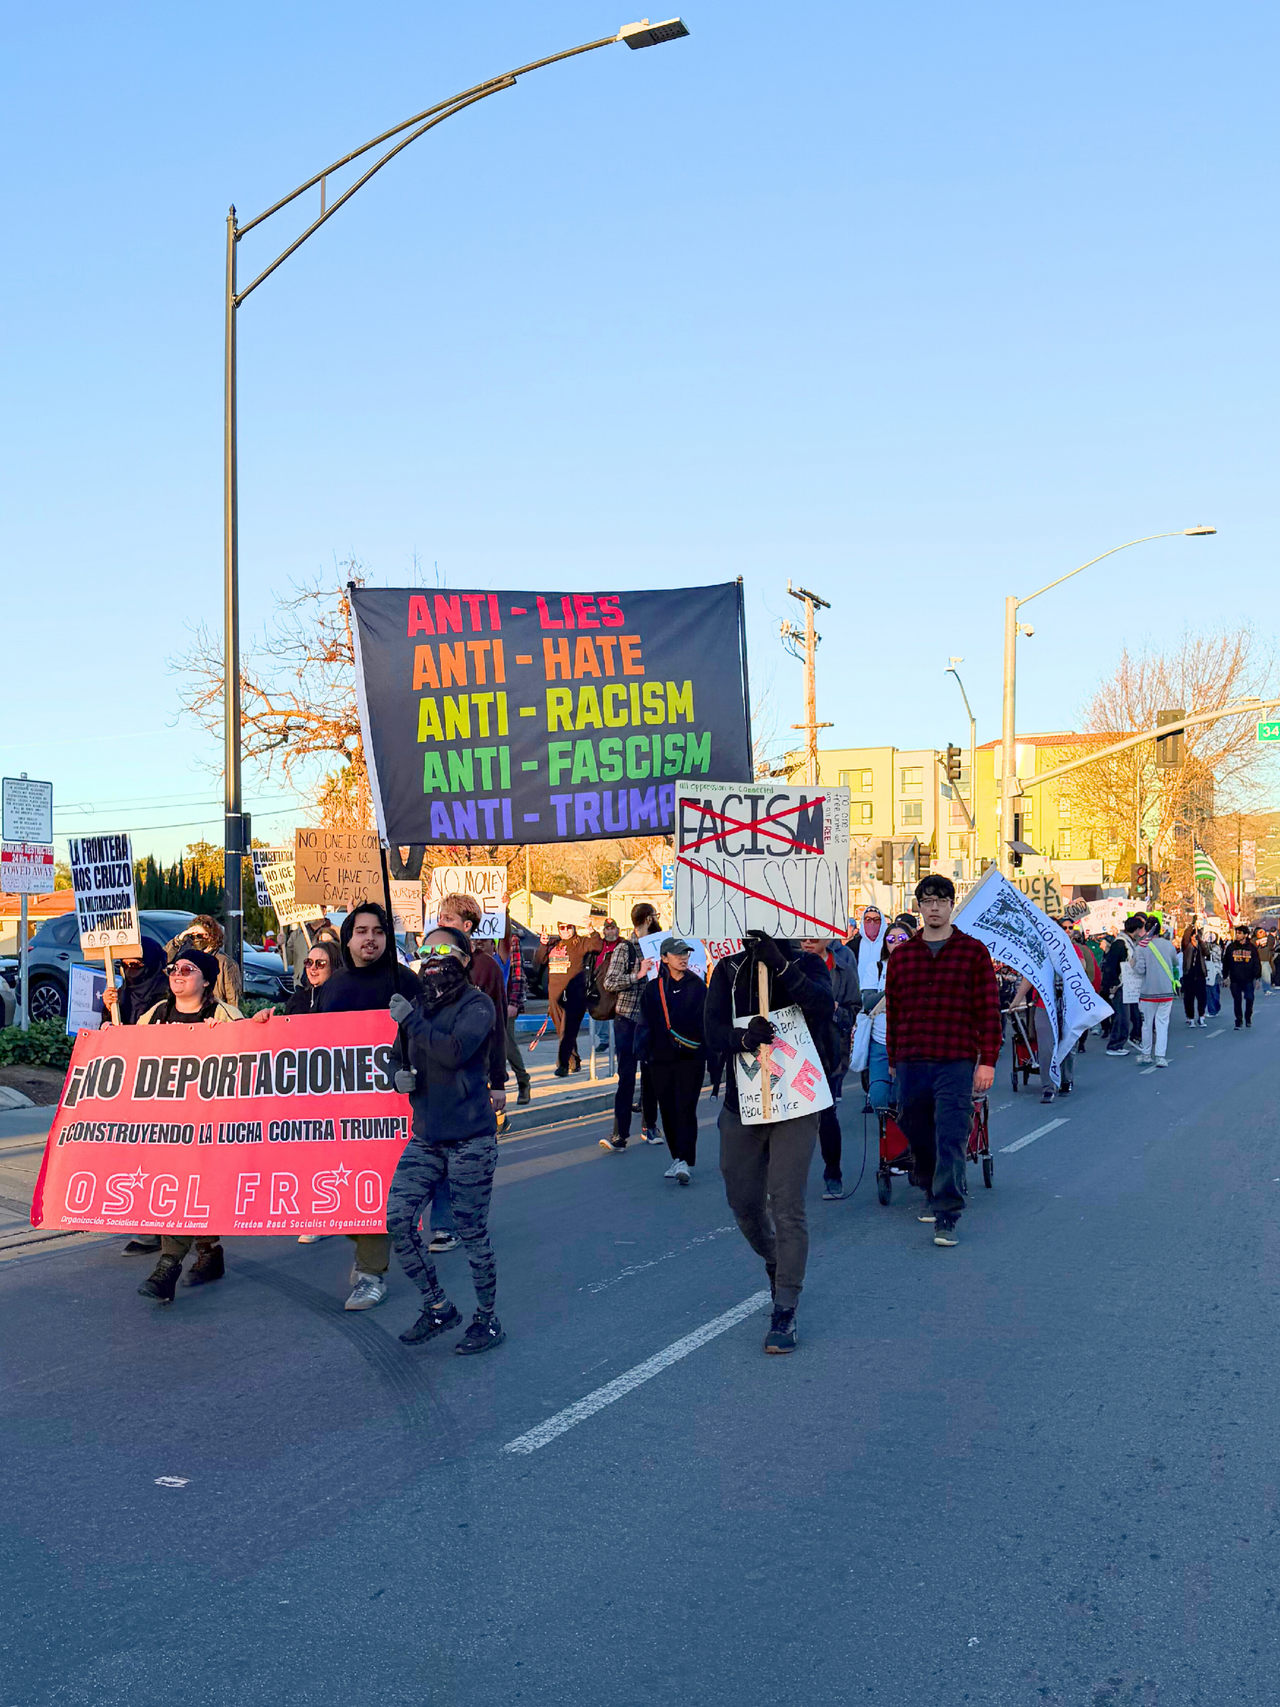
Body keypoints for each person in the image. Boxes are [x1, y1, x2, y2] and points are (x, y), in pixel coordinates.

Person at [704, 930, 835, 1355]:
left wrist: (780, 963)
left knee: (786, 1200)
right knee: (743, 1202)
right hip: (742, 1101)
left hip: (796, 1102)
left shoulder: (808, 963)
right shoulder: (729, 969)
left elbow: (820, 1005)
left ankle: (785, 1307)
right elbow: (711, 1028)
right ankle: (776, 1261)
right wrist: (741, 1038)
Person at [385, 927, 504, 1354]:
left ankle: (487, 1318)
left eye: (442, 949)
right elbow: (399, 1055)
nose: (431, 957)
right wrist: (395, 1077)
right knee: (397, 1219)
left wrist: (411, 1021)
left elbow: (455, 1051)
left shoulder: (478, 1005)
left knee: (471, 1231)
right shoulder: (416, 1006)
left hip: (470, 1138)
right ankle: (437, 1305)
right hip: (427, 1137)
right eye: (425, 949)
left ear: (465, 958)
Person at [314, 901, 423, 1309]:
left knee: (378, 1192)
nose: (370, 939)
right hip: (340, 1109)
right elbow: (304, 1037)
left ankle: (371, 1273)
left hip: (393, 1109)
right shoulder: (334, 985)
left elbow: (426, 1032)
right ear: (348, 938)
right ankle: (366, 1253)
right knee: (346, 1190)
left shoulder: (406, 981)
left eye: (378, 931)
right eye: (361, 931)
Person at [884, 874, 1000, 1248]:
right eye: (927, 902)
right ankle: (929, 1180)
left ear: (952, 905)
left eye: (940, 901)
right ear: (919, 907)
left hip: (956, 1058)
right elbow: (894, 1013)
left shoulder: (973, 952)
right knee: (914, 1125)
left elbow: (988, 1011)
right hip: (912, 1057)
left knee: (951, 1132)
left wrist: (988, 1062)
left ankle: (947, 1213)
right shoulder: (902, 957)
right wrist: (891, 1058)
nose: (934, 908)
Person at [134, 950, 243, 1303]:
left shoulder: (223, 1014)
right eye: (173, 968)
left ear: (207, 980)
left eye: (188, 969)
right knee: (176, 1188)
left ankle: (172, 1263)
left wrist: (224, 1038)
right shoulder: (155, 1015)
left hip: (210, 1125)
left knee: (196, 1187)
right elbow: (131, 1053)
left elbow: (249, 1055)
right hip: (167, 1125)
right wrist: (109, 1035)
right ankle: (204, 1253)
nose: (178, 974)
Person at [102, 937, 184, 1257]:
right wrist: (108, 1009)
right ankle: (151, 1226)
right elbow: (109, 1038)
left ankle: (186, 1233)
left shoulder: (169, 995)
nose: (131, 970)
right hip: (132, 1090)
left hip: (167, 1091)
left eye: (137, 964)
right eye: (125, 965)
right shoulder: (122, 995)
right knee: (139, 1159)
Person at [639, 938, 707, 1184]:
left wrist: (711, 1052)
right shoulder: (653, 988)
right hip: (660, 1058)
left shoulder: (698, 986)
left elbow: (705, 1021)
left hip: (691, 1058)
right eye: (677, 954)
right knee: (667, 1108)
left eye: (686, 953)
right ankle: (677, 1156)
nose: (683, 957)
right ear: (664, 958)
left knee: (686, 1108)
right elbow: (644, 1022)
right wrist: (643, 1054)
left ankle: (686, 1160)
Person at [797, 936, 859, 1200]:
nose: (807, 942)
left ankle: (833, 1174)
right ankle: (782, 1181)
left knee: (826, 1113)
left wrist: (833, 1008)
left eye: (813, 937)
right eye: (802, 938)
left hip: (829, 1050)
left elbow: (853, 1010)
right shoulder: (789, 966)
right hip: (794, 1049)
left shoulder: (843, 969)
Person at [599, 903, 663, 1150]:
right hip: (628, 1019)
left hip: (651, 1020)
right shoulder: (626, 948)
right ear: (647, 919)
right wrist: (637, 975)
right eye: (654, 917)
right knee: (626, 1077)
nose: (657, 921)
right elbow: (610, 982)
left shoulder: (659, 945)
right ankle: (620, 1134)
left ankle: (650, 1125)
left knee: (651, 1075)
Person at [535, 920, 604, 1076]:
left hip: (575, 993)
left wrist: (591, 930)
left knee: (568, 1029)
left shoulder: (581, 942)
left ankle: (563, 1064)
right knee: (562, 1030)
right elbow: (538, 962)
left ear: (574, 928)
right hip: (555, 993)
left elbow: (597, 946)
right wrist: (543, 945)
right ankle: (574, 1060)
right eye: (562, 928)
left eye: (568, 927)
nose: (565, 930)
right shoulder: (554, 943)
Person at [865, 921, 913, 1113]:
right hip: (880, 1043)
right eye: (891, 939)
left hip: (910, 1044)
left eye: (902, 938)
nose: (897, 943)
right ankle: (888, 1135)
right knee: (879, 1097)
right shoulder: (875, 968)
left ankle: (904, 1139)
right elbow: (867, 1001)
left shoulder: (922, 967)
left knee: (903, 1097)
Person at [251, 936, 341, 1019]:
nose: (313, 968)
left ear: (334, 966)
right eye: (309, 962)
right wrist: (269, 1015)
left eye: (320, 963)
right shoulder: (298, 998)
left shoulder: (341, 999)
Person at [491, 926, 532, 1106]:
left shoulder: (509, 940)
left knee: (506, 1043)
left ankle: (523, 1080)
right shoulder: (473, 937)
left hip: (505, 1001)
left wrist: (514, 1002)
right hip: (483, 999)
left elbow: (517, 972)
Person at [164, 914, 242, 1008]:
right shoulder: (189, 958)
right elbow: (163, 961)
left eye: (200, 935)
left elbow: (233, 999)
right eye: (193, 936)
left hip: (215, 1014)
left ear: (211, 936)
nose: (196, 939)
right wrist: (179, 939)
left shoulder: (224, 962)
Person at [1129, 918, 1179, 1065]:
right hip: (1166, 991)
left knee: (1147, 1024)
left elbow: (1140, 970)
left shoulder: (1141, 947)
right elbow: (1175, 962)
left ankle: (1146, 1054)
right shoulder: (1168, 945)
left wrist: (1132, 964)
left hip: (1148, 992)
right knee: (1162, 1023)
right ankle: (1160, 1056)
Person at [101, 937, 169, 1027]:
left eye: (134, 965)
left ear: (151, 964)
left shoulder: (172, 996)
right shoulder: (120, 995)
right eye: (124, 965)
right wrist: (109, 1010)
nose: (129, 971)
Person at [1101, 915, 1144, 1056]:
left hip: (1127, 985)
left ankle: (1123, 1041)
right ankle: (1114, 1045)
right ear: (1136, 929)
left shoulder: (1129, 942)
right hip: (1119, 985)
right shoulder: (1120, 943)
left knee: (1127, 1015)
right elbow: (1111, 966)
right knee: (1121, 1016)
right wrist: (1112, 984)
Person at [1223, 924, 1262, 1030]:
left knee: (1249, 998)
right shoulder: (1231, 947)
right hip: (1235, 979)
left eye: (1240, 933)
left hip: (1248, 979)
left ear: (1245, 935)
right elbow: (1226, 962)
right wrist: (1225, 977)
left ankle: (1248, 1017)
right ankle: (1238, 1020)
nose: (1237, 935)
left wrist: (1257, 978)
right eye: (1237, 933)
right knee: (1237, 1000)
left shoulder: (1251, 948)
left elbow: (1256, 963)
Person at [1181, 925, 1209, 1027]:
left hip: (1200, 974)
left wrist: (1200, 942)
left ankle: (1201, 1017)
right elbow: (1185, 940)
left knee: (1202, 997)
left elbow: (1207, 952)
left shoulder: (1201, 946)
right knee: (1189, 998)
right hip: (1189, 974)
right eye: (1193, 936)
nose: (1194, 938)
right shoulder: (1187, 946)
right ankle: (1190, 1017)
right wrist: (1192, 925)